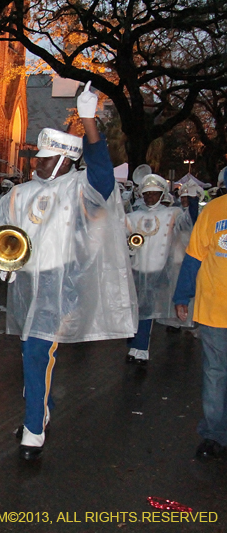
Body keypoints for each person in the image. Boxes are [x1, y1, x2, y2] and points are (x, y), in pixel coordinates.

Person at [0, 82, 137, 461]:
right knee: (30, 352)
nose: (37, 162)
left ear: (66, 160)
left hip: (59, 283)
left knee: (37, 352)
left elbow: (103, 178)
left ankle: (34, 428)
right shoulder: (18, 193)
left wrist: (88, 120)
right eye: (37, 157)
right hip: (25, 283)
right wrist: (3, 263)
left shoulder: (78, 186)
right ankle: (42, 407)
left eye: (45, 157)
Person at [173, 185, 227, 460]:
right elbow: (194, 256)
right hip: (215, 310)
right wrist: (182, 294)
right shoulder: (214, 210)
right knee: (215, 374)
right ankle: (214, 434)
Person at [124, 172, 196, 365]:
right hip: (136, 271)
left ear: (162, 194)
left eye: (154, 193)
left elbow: (190, 223)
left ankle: (140, 349)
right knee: (135, 309)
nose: (150, 197)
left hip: (158, 271)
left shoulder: (172, 213)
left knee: (146, 310)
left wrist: (194, 200)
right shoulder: (133, 216)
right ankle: (135, 343)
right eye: (147, 193)